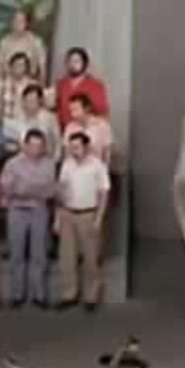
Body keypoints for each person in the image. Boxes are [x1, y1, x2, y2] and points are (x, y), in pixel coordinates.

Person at [0, 130, 56, 308]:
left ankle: (39, 295)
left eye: (39, 146)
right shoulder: (12, 163)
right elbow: (7, 188)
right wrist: (31, 188)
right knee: (16, 254)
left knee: (39, 254)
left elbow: (49, 189)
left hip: (39, 211)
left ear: (44, 147)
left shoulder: (49, 163)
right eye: (32, 145)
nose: (35, 149)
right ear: (24, 145)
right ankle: (17, 294)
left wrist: (24, 187)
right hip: (17, 211)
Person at [56, 132, 111, 311]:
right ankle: (69, 294)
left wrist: (99, 219)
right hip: (68, 213)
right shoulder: (67, 164)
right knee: (67, 257)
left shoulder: (97, 165)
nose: (74, 150)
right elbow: (61, 191)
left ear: (86, 147)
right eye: (71, 147)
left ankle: (91, 296)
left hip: (88, 214)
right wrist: (58, 217)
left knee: (90, 257)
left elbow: (104, 193)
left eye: (77, 147)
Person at [55, 47, 109, 130]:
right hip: (64, 131)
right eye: (69, 61)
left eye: (76, 61)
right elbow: (56, 108)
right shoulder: (61, 84)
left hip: (87, 132)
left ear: (85, 64)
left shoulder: (95, 85)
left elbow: (103, 113)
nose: (72, 65)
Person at [0, 10, 47, 86]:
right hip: (9, 84)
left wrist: (41, 87)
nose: (18, 24)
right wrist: (0, 86)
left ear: (26, 23)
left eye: (21, 21)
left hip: (29, 84)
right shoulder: (4, 42)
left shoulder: (36, 42)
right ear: (12, 23)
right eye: (15, 21)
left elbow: (42, 68)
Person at [11, 84, 62, 162]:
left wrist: (55, 162)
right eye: (27, 101)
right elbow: (12, 143)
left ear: (40, 100)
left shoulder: (50, 118)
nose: (29, 104)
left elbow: (58, 142)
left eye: (33, 101)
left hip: (45, 161)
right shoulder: (18, 118)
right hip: (23, 161)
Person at [63, 93, 115, 166]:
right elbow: (67, 152)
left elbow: (107, 152)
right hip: (75, 168)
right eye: (71, 110)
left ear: (87, 108)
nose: (72, 114)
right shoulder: (70, 127)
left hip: (96, 168)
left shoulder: (102, 126)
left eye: (75, 109)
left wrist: (104, 169)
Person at [0, 52, 33, 127]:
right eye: (16, 65)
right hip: (4, 124)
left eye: (22, 65)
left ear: (26, 67)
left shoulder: (31, 85)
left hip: (24, 124)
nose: (19, 68)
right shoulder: (2, 84)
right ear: (11, 67)